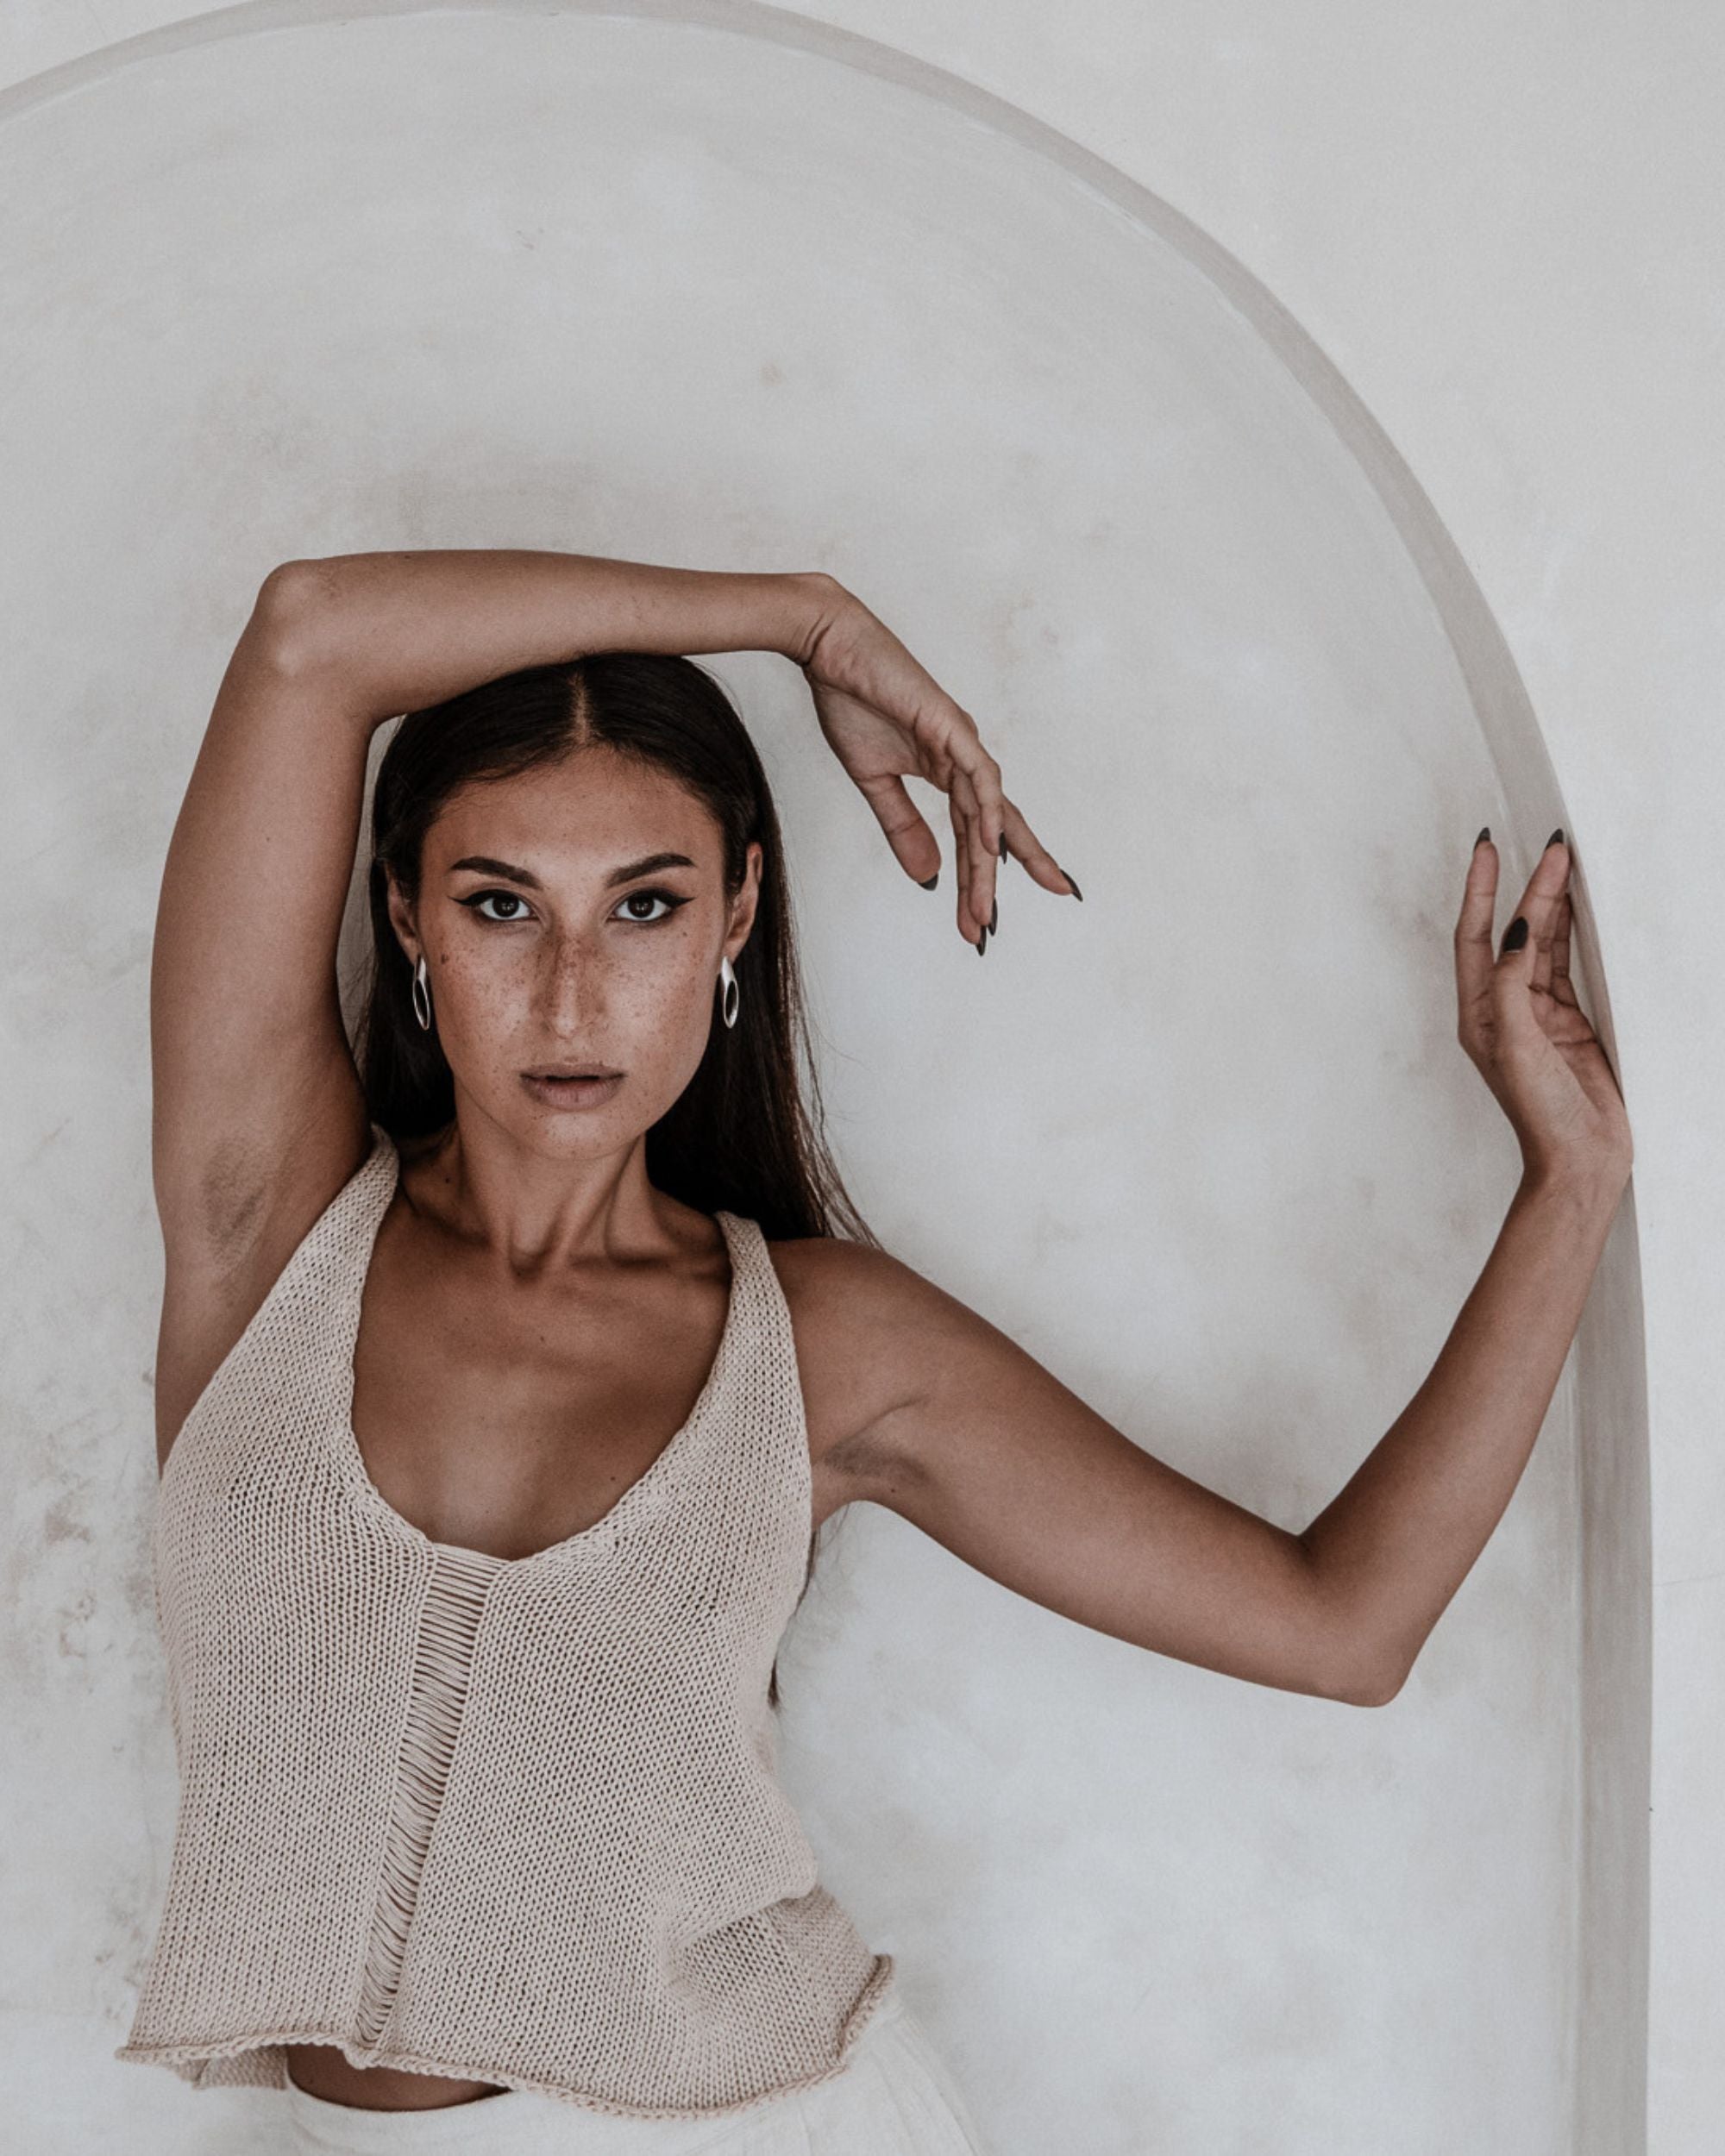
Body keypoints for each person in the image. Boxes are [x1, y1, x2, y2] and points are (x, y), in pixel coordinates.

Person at [115, 549, 1633, 2153]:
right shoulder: (266, 1229)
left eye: (647, 903)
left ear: (738, 910)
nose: (573, 994)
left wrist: (1571, 1186)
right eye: (503, 905)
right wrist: (801, 620)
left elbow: (1345, 1626)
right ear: (407, 915)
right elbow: (308, 640)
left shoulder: (824, 1348)